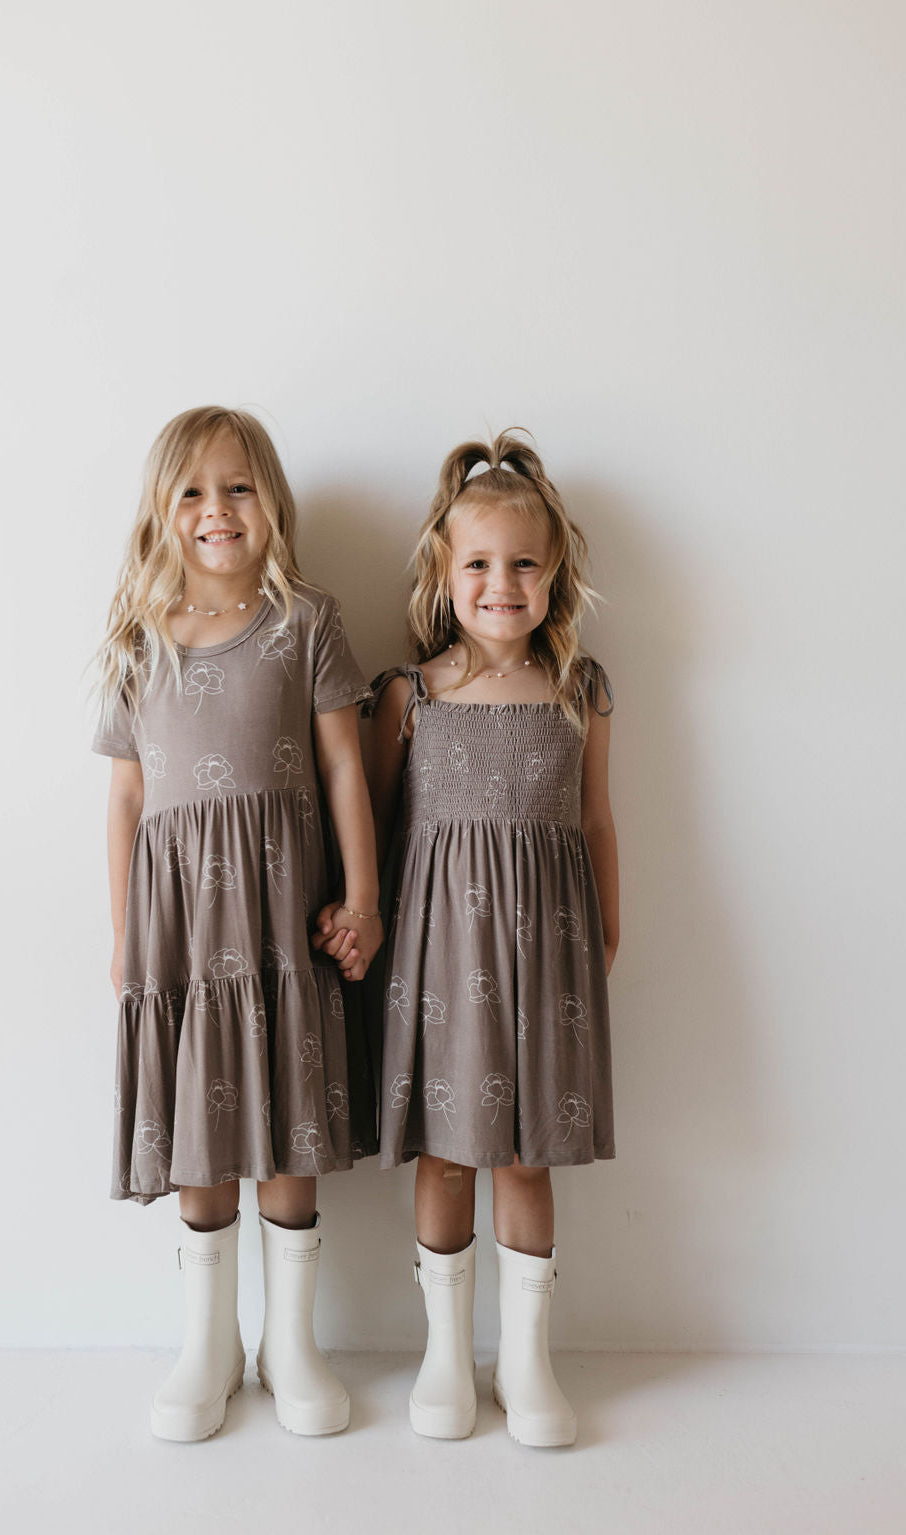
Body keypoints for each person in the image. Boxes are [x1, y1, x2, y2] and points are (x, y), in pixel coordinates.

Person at [92, 406, 382, 1442]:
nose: (218, 510)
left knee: (290, 1115)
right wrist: (126, 934)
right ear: (162, 515)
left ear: (271, 504)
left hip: (277, 922)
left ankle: (289, 1346)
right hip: (180, 937)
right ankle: (208, 1346)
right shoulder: (137, 642)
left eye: (239, 487)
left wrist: (364, 896)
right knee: (202, 1140)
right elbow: (126, 801)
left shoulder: (307, 621)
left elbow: (347, 764)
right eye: (193, 492)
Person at [350, 431, 618, 1447]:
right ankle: (443, 1354)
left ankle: (528, 1360)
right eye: (477, 562)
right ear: (442, 571)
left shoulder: (578, 692)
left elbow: (595, 825)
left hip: (546, 969)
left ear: (554, 572)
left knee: (523, 1157)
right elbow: (372, 835)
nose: (501, 583)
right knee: (448, 1155)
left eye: (523, 563)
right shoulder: (408, 698)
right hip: (437, 972)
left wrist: (607, 928)